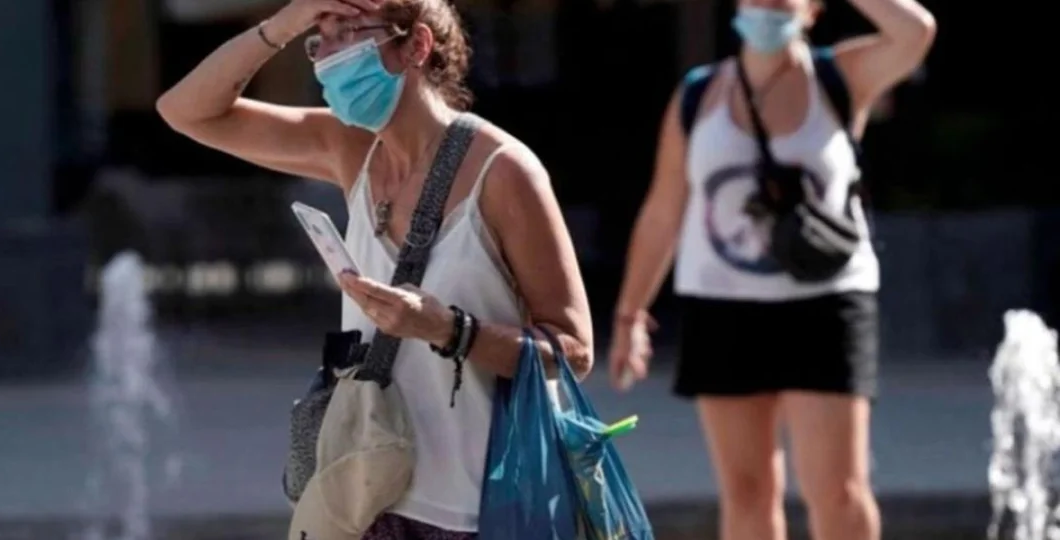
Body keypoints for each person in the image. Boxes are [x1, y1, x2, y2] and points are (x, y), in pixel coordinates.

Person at [156, 0, 593, 538]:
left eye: (346, 32)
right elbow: (185, 111)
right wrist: (285, 23)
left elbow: (574, 350)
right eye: (319, 38)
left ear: (416, 46)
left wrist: (449, 329)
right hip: (369, 498)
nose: (326, 56)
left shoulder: (504, 171)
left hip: (485, 508)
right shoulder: (350, 148)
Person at [609, 0, 935, 539]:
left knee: (838, 490)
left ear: (811, 11)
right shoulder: (699, 93)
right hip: (722, 306)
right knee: (747, 492)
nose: (765, 7)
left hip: (826, 304)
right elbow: (664, 210)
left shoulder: (838, 76)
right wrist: (630, 316)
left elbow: (915, 31)